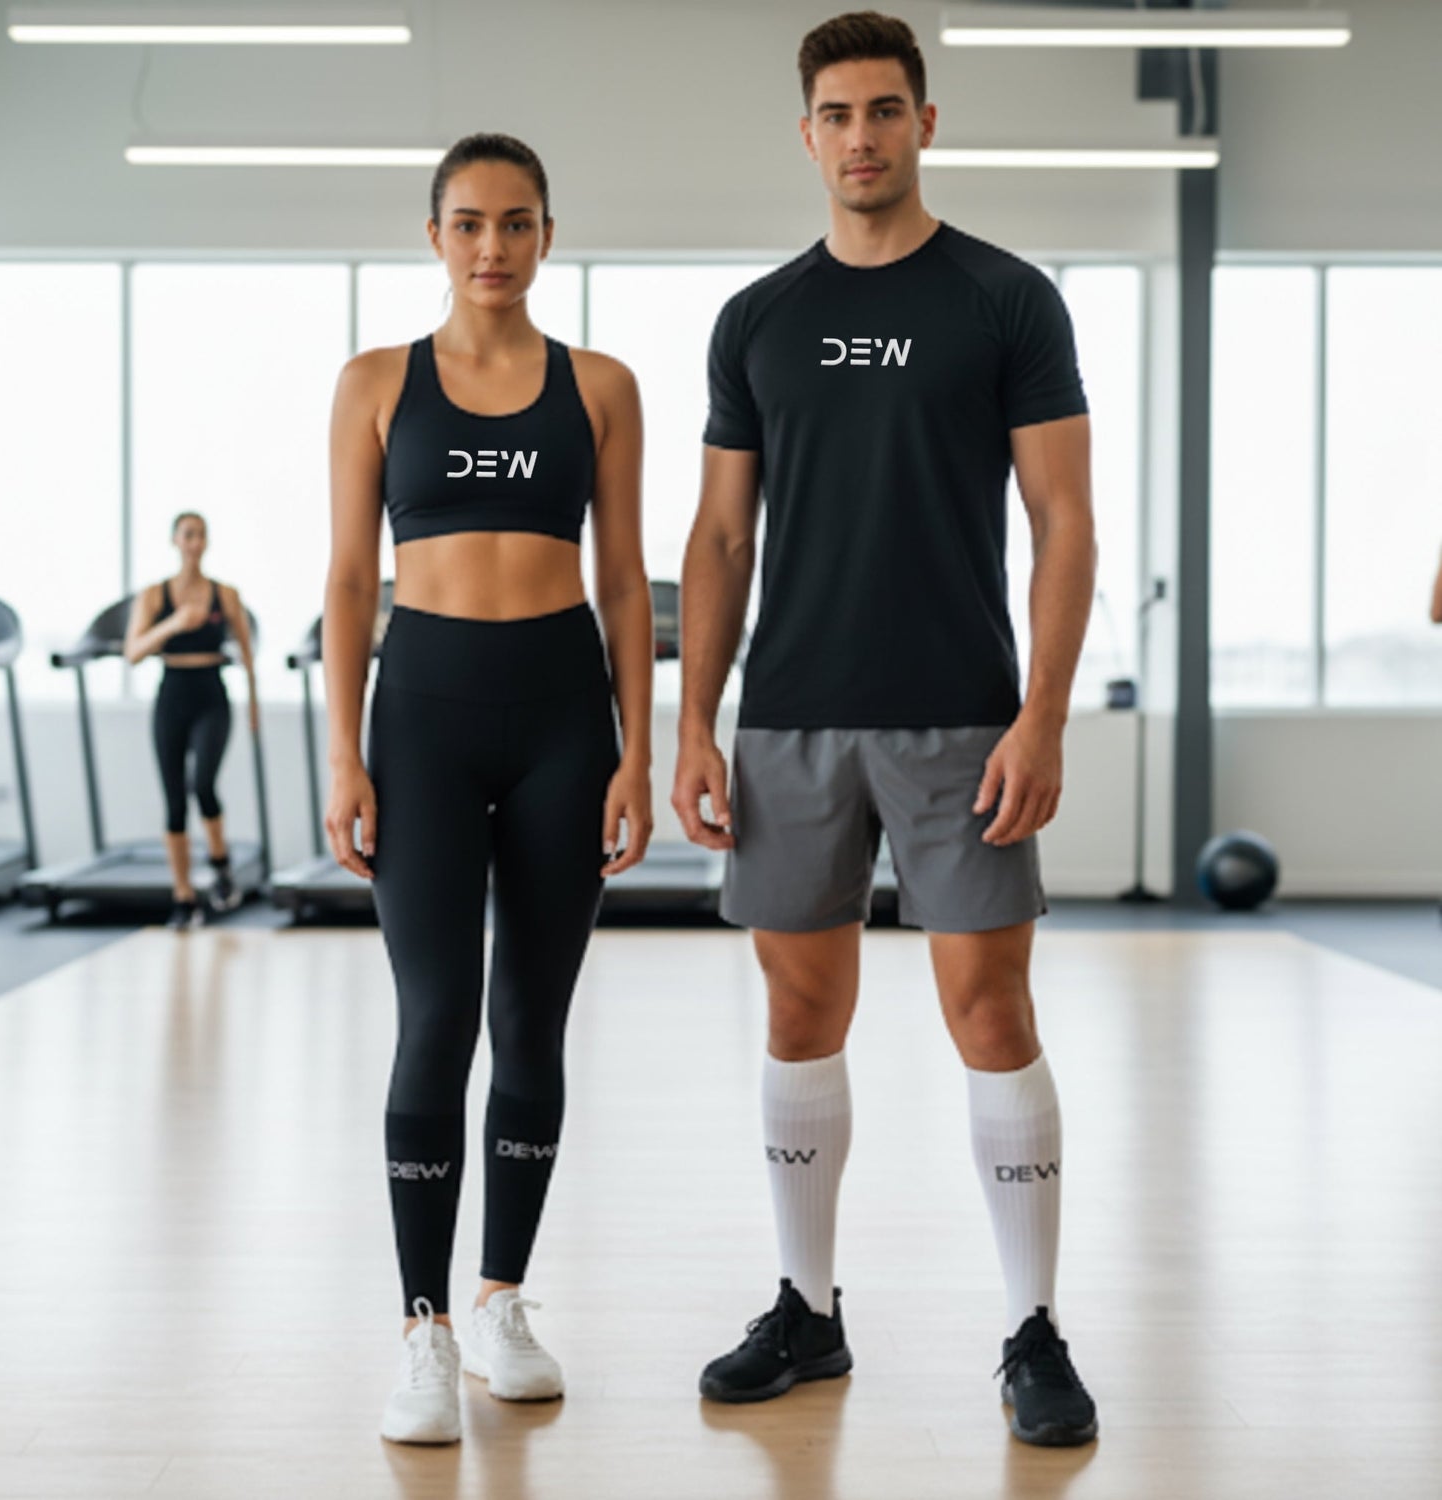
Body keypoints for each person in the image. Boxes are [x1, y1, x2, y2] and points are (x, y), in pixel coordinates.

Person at [672, 12, 1100, 1447]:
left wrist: (1041, 716)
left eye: (886, 110)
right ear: (808, 135)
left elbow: (1063, 524)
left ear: (928, 122)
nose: (862, 135)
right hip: (789, 721)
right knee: (801, 1015)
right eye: (837, 114)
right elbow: (721, 541)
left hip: (963, 721)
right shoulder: (757, 320)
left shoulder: (1005, 300)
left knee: (992, 1015)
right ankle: (808, 1309)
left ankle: (1033, 1332)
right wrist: (693, 725)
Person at [322, 133, 653, 1446]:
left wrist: (639, 742)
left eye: (516, 224)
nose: (493, 248)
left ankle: (502, 1298)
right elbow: (351, 584)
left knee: (532, 1018)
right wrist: (341, 751)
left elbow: (625, 578)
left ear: (547, 235)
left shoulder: (605, 386)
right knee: (436, 1016)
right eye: (468, 224)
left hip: (566, 715)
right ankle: (423, 1327)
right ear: (435, 237)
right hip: (424, 719)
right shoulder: (372, 385)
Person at [123, 510, 258, 930]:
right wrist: (175, 623)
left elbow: (248, 657)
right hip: (172, 692)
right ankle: (183, 897)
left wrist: (253, 706)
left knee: (204, 784)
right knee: (175, 799)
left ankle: (220, 865)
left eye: (201, 535)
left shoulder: (225, 595)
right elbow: (133, 652)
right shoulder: (154, 596)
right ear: (175, 541)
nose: (195, 542)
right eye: (188, 535)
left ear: (207, 541)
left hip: (212, 694)